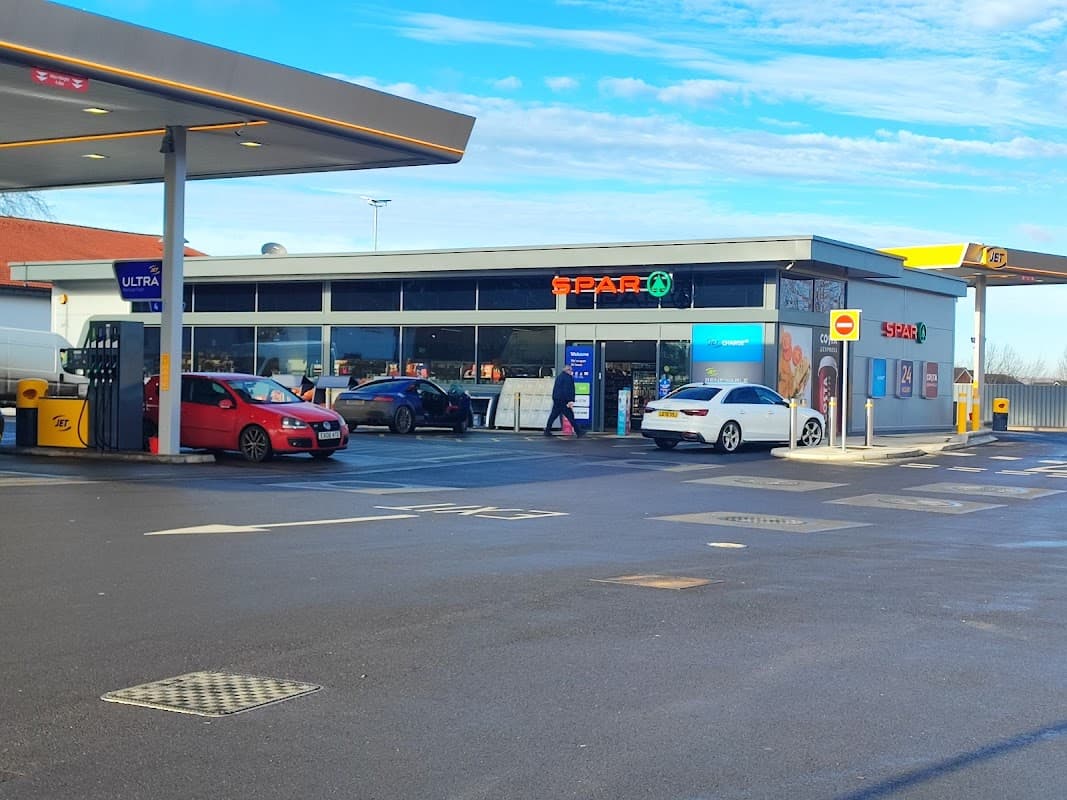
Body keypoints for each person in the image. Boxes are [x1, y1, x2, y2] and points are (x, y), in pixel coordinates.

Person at [544, 364, 584, 437]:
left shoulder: (559, 377)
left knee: (553, 416)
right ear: (567, 370)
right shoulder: (568, 378)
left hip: (557, 399)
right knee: (570, 416)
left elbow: (556, 389)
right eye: (571, 370)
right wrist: (570, 400)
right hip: (564, 400)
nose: (572, 372)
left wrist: (555, 398)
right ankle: (578, 431)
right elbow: (568, 390)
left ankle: (547, 430)